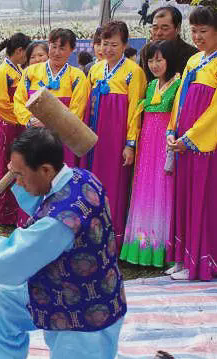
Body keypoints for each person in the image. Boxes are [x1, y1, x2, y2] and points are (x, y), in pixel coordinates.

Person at [0, 128, 195, 359]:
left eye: (20, 175)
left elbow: (14, 260)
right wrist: (19, 175)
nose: (17, 181)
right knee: (2, 298)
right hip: (57, 292)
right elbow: (41, 201)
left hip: (83, 313)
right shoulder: (81, 177)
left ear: (46, 169)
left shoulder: (61, 220)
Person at [82, 21, 147, 251]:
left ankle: (112, 239)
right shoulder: (95, 70)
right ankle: (90, 234)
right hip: (95, 136)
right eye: (104, 44)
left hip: (116, 139)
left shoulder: (134, 72)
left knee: (114, 184)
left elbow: (135, 111)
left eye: (114, 44)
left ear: (125, 45)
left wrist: (130, 144)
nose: (107, 49)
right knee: (92, 182)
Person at [166, 6, 217, 281]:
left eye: (203, 31)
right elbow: (180, 99)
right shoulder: (194, 60)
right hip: (183, 141)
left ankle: (200, 260)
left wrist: (192, 137)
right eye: (194, 31)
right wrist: (172, 130)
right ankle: (183, 257)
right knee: (184, 196)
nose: (197, 36)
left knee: (202, 199)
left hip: (204, 144)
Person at [120, 41, 180, 268]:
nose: (155, 65)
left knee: (164, 191)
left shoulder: (179, 84)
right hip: (146, 145)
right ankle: (141, 248)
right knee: (144, 191)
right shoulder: (151, 85)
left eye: (160, 60)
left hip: (164, 144)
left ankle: (162, 250)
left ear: (169, 61)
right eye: (151, 60)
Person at [14, 28, 89, 169]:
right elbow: (19, 101)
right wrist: (30, 120)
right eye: (53, 46)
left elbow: (77, 111)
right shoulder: (30, 72)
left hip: (63, 141)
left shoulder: (77, 76)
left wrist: (49, 123)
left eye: (62, 48)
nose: (56, 52)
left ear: (72, 50)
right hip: (35, 137)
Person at [0, 32, 31, 226]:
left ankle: (15, 210)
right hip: (6, 126)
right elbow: (1, 103)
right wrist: (21, 116)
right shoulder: (3, 72)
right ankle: (4, 213)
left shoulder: (17, 70)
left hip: (17, 125)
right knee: (4, 166)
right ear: (20, 51)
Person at [139, 7, 199, 82]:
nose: (158, 33)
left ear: (178, 29)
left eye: (165, 29)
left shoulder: (193, 55)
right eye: (155, 28)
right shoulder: (146, 51)